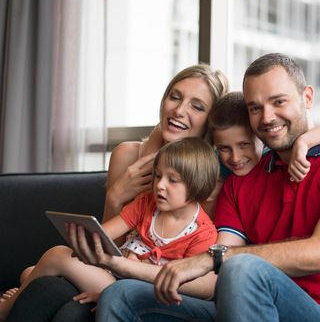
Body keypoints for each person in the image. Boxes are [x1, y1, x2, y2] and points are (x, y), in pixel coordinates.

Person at [97, 53, 320, 322]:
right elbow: (216, 268)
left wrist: (214, 258)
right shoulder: (241, 183)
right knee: (121, 296)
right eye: (255, 108)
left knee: (241, 267)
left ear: (307, 97)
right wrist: (125, 266)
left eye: (279, 102)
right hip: (251, 306)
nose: (267, 117)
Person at [6, 64, 229, 322]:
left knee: (54, 291)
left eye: (197, 106)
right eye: (175, 96)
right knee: (44, 283)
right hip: (113, 267)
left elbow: (201, 274)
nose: (179, 110)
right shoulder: (127, 155)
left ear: (210, 122)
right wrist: (116, 196)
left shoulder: (211, 186)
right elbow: (108, 243)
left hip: (145, 285)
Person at [0, 137, 220, 322]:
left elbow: (181, 291)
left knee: (55, 256)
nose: (160, 185)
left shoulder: (203, 233)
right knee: (31, 271)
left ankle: (5, 309)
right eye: (158, 176)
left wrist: (111, 289)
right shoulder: (147, 203)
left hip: (139, 290)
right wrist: (85, 240)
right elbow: (101, 235)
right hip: (112, 275)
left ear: (197, 186)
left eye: (173, 180)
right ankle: (40, 279)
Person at [208, 91, 320, 181]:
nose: (235, 158)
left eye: (244, 145)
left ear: (260, 136)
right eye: (224, 148)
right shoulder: (215, 165)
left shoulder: (275, 155)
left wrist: (304, 141)